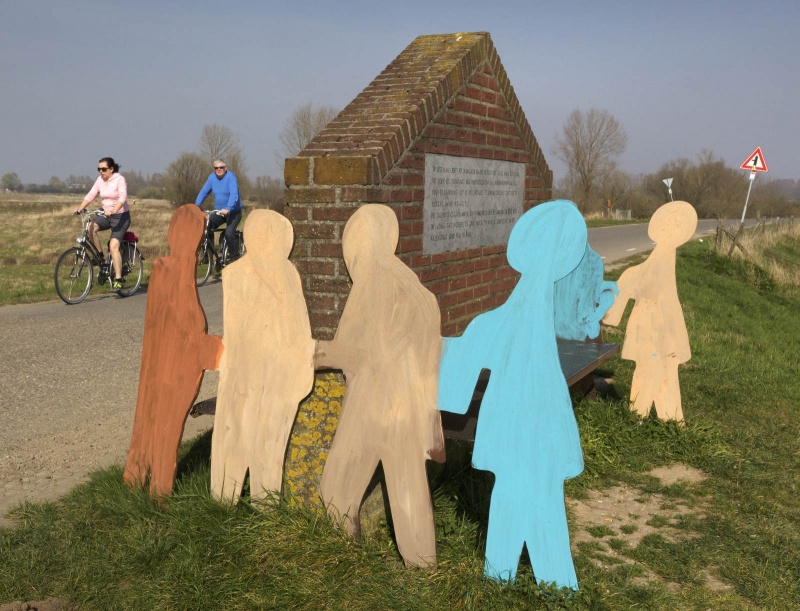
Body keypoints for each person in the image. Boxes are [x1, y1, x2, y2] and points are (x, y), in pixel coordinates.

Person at [73, 157, 130, 291]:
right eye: (99, 169)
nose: (101, 172)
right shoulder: (100, 180)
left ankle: (118, 279)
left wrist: (114, 210)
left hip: (121, 216)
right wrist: (80, 208)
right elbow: (91, 195)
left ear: (111, 169)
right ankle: (101, 257)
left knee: (113, 246)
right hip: (106, 215)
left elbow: (123, 197)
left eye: (103, 169)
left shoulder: (119, 179)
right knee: (90, 227)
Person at [195, 159, 242, 260]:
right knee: (207, 228)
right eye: (216, 168)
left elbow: (234, 195)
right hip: (219, 212)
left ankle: (235, 258)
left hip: (233, 212)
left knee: (229, 233)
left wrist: (228, 208)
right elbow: (203, 192)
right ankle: (208, 256)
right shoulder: (212, 178)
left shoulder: (231, 177)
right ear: (214, 169)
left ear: (225, 168)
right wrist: (196, 206)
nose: (219, 169)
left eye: (221, 167)